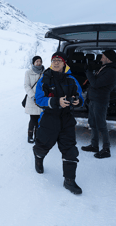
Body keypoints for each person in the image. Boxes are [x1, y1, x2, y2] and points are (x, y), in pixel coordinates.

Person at [33, 52, 84, 195]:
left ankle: (69, 180)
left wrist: (77, 101)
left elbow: (80, 96)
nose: (55, 62)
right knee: (42, 145)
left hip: (66, 118)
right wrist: (56, 102)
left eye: (59, 60)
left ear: (64, 63)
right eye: (53, 60)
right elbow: (38, 99)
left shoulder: (72, 79)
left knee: (70, 149)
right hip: (49, 118)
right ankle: (38, 158)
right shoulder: (44, 79)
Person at [81, 50, 116, 159]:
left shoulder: (112, 71)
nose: (101, 58)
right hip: (94, 99)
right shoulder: (106, 67)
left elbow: (95, 83)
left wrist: (88, 71)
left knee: (101, 124)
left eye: (103, 56)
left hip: (100, 100)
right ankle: (94, 145)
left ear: (108, 58)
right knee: (93, 123)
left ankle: (106, 149)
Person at [24, 56, 45, 143]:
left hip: (41, 98)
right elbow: (26, 85)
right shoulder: (28, 72)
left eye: (40, 61)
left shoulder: (44, 72)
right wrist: (32, 96)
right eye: (37, 61)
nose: (38, 63)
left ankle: (37, 136)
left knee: (39, 118)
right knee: (33, 118)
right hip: (32, 99)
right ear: (33, 63)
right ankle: (30, 136)